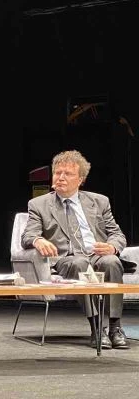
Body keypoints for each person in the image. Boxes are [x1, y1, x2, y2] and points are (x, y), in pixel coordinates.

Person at [21, 150, 130, 350]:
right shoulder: (39, 205)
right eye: (57, 173)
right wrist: (38, 240)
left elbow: (117, 234)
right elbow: (28, 235)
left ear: (80, 180)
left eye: (68, 174)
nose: (60, 177)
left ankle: (115, 327)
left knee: (112, 261)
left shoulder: (99, 201)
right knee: (80, 263)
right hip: (68, 259)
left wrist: (112, 246)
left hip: (96, 255)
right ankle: (97, 327)